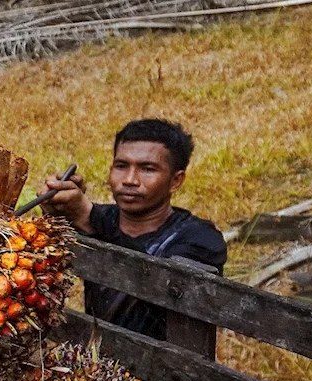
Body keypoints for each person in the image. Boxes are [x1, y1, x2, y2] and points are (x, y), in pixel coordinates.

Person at [38, 118, 227, 341]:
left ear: (176, 181)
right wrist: (57, 208)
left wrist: (85, 217)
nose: (129, 180)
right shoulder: (102, 217)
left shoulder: (199, 239)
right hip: (98, 366)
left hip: (165, 370)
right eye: (121, 166)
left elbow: (154, 280)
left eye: (147, 169)